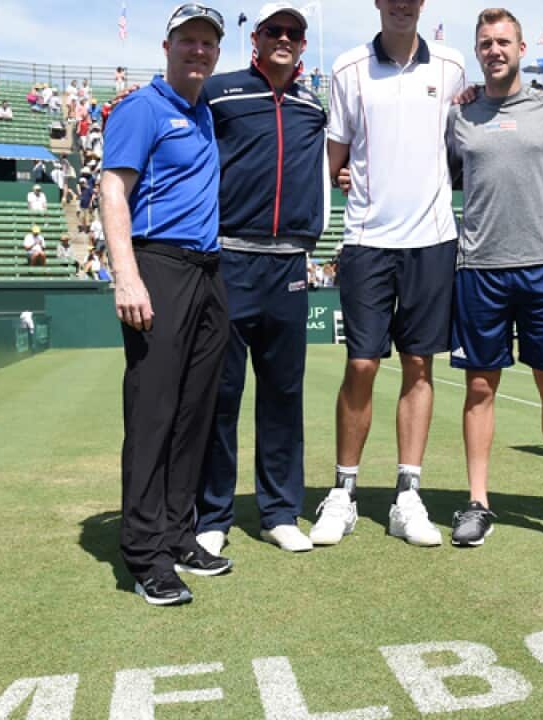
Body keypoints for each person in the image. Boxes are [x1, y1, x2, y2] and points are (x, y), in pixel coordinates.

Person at [308, 0, 467, 548]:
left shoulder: (452, 66)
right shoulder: (348, 68)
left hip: (433, 240)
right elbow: (333, 160)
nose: (402, 3)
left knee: (420, 366)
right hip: (367, 242)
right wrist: (343, 172)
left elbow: (459, 142)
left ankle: (408, 494)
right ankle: (343, 493)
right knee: (362, 364)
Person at [437, 8, 543, 547]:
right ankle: (478, 502)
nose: (494, 50)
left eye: (503, 41)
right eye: (485, 43)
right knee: (480, 386)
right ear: (477, 52)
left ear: (521, 48)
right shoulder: (459, 115)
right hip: (479, 268)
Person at [101, 2, 231, 606]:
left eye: (208, 42)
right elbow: (112, 191)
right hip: (159, 266)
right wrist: (126, 277)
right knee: (153, 413)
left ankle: (179, 534)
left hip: (207, 271)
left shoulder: (203, 112)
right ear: (167, 46)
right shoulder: (142, 108)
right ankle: (145, 553)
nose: (198, 51)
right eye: (189, 41)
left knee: (193, 414)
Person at [193, 1, 327, 557]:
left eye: (294, 33)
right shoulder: (220, 92)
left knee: (283, 394)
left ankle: (278, 512)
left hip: (289, 263)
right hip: (228, 259)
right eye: (275, 29)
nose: (285, 38)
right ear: (257, 37)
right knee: (220, 394)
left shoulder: (311, 105)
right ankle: (213, 514)